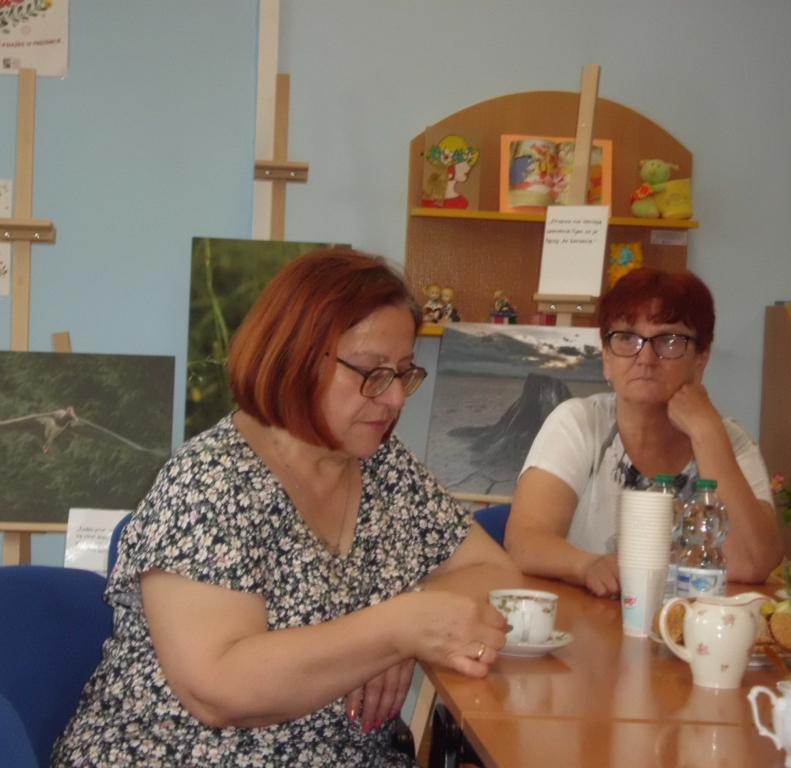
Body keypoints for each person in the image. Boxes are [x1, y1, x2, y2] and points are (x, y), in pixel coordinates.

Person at [52, 248, 519, 767]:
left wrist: (405, 632)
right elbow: (219, 687)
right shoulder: (211, 480)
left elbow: (495, 573)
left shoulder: (383, 464)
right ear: (295, 359)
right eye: (372, 372)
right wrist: (396, 629)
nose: (394, 400)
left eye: (403, 373)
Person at [504, 267, 782, 598]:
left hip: (690, 626)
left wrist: (707, 433)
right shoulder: (579, 422)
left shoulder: (730, 441)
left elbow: (752, 564)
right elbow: (524, 541)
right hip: (588, 622)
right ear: (606, 357)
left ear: (701, 358)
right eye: (626, 338)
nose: (646, 358)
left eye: (669, 340)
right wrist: (587, 565)